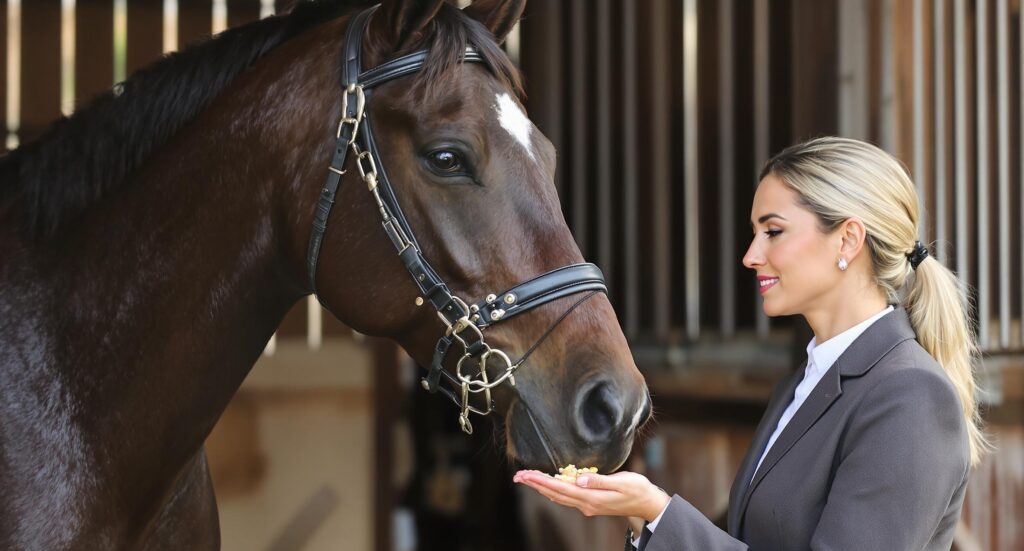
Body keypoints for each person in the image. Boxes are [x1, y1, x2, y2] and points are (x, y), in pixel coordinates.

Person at [514, 136, 988, 550]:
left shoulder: (910, 397)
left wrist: (661, 512)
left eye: (773, 232)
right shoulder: (804, 382)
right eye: (754, 233)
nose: (750, 255)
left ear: (847, 240)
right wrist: (643, 515)